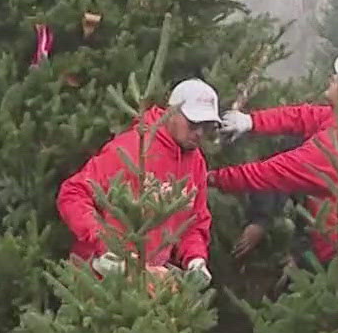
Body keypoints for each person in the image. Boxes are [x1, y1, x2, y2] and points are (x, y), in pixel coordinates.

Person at [211, 57, 338, 272]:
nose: (333, 78)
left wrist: (211, 177)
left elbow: (270, 173)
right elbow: (301, 116)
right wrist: (251, 121)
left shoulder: (335, 149)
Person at [57, 78, 220, 282]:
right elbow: (73, 193)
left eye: (207, 127)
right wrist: (105, 242)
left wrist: (196, 259)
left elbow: (194, 221)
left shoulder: (196, 162)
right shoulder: (129, 150)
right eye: (194, 124)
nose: (199, 133)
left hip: (148, 278)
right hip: (99, 278)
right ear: (171, 113)